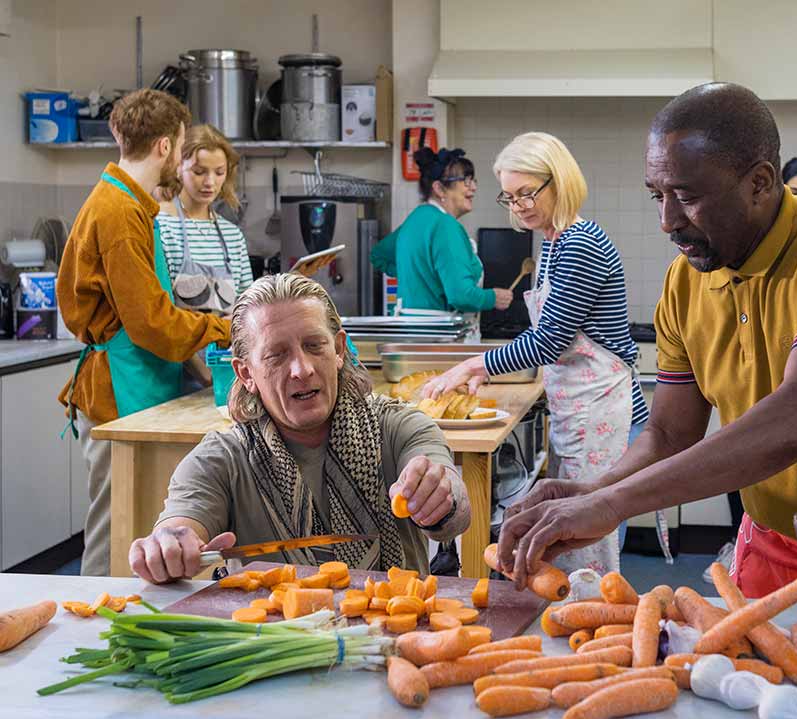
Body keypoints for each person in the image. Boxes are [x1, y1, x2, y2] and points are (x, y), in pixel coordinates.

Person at [493, 83, 797, 598]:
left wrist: (613, 504)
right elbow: (670, 433)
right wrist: (593, 489)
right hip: (776, 541)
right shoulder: (686, 280)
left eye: (688, 196)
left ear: (760, 183)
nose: (667, 221)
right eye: (658, 195)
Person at [128, 274, 471, 583]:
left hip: (394, 633)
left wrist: (440, 497)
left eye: (314, 346)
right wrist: (168, 546)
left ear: (337, 349)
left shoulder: (399, 428)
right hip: (270, 644)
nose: (301, 369)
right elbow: (180, 523)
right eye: (277, 355)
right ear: (246, 373)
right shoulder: (221, 460)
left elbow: (454, 509)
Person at [420, 132, 649, 576]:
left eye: (527, 193)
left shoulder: (579, 243)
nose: (519, 205)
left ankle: (598, 630)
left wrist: (475, 364)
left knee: (589, 544)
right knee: (575, 535)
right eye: (510, 197)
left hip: (603, 413)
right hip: (581, 412)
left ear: (558, 180)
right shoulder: (553, 242)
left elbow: (550, 341)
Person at [58, 89, 232, 576]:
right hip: (118, 388)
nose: (180, 157)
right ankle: (87, 629)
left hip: (140, 383)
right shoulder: (116, 213)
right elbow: (153, 324)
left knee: (139, 530)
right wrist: (225, 326)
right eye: (180, 147)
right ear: (163, 147)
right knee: (114, 530)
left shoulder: (133, 204)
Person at [371, 147, 513, 341]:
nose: (473, 187)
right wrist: (493, 297)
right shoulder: (446, 226)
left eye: (472, 180)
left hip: (408, 333)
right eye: (465, 181)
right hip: (440, 336)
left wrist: (421, 275)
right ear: (439, 189)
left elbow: (378, 255)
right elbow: (461, 296)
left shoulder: (416, 218)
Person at [158, 124, 255, 315]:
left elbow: (248, 306)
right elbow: (158, 309)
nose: (210, 182)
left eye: (219, 172)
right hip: (179, 344)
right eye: (199, 172)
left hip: (226, 344)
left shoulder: (232, 235)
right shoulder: (162, 227)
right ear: (178, 167)